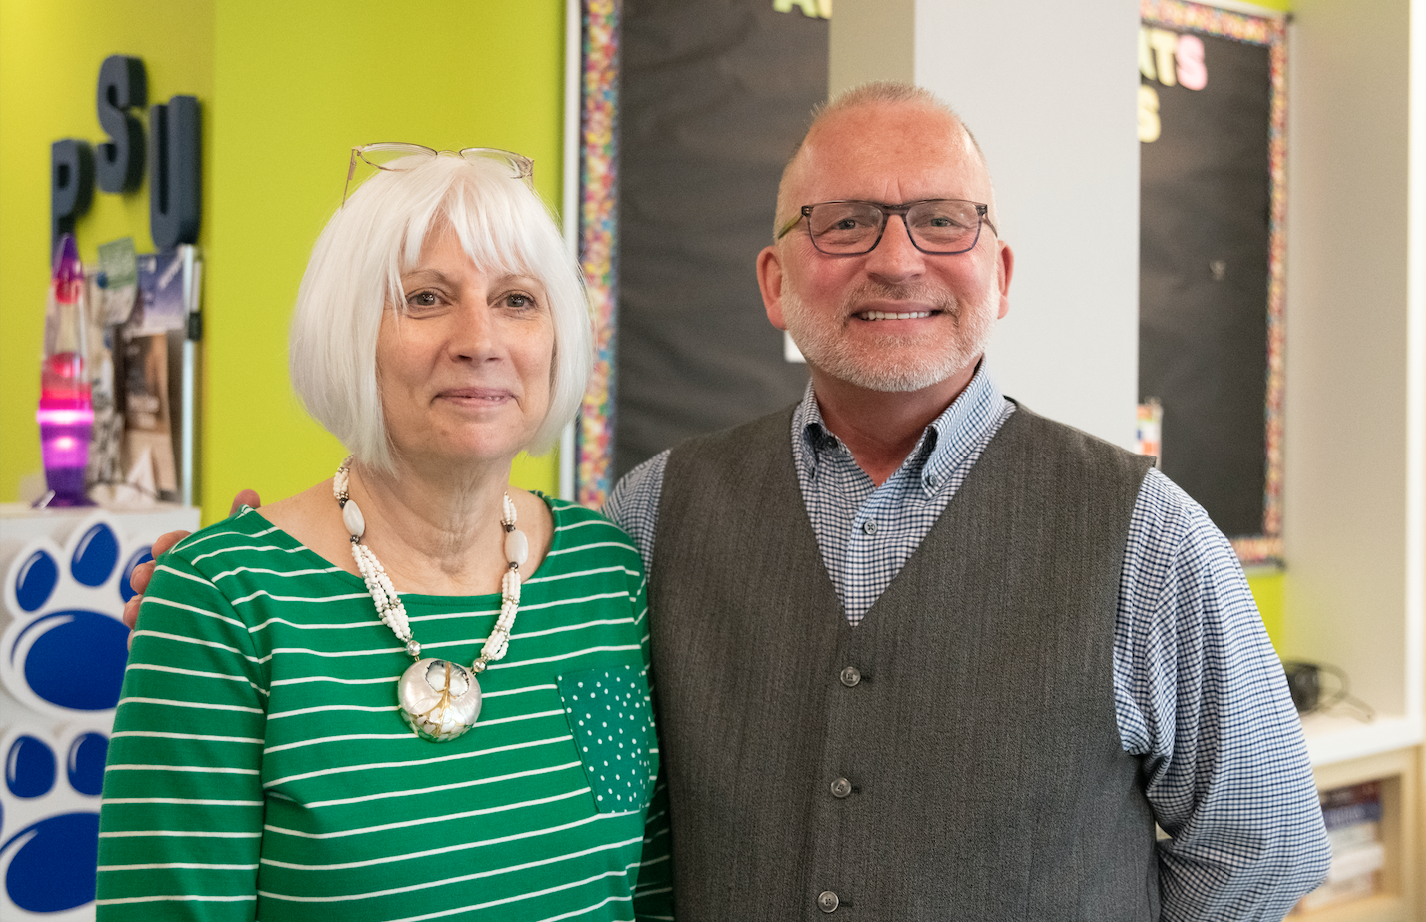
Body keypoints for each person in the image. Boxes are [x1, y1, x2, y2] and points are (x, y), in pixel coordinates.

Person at [128, 85, 1330, 919]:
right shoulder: (644, 523)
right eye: (844, 221)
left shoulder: (1144, 532)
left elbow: (1262, 840)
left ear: (997, 271)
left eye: (941, 220)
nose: (897, 258)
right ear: (773, 279)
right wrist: (222, 580)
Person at [98, 146, 671, 921]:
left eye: (517, 300)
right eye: (426, 298)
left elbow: (655, 892)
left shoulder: (606, 572)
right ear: (345, 334)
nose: (480, 338)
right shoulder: (221, 601)